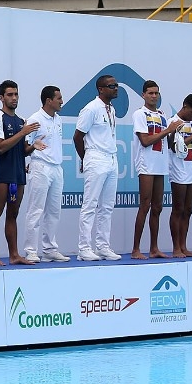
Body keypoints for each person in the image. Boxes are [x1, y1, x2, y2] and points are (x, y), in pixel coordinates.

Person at [0, 80, 39, 266]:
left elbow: (22, 150)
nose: (14, 98)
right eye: (10, 95)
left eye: (16, 94)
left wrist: (34, 146)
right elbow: (0, 147)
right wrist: (22, 132)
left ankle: (14, 255)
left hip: (18, 173)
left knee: (13, 214)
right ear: (1, 97)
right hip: (3, 173)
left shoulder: (20, 121)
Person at [130, 80, 182, 259]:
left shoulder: (161, 114)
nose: (154, 96)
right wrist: (168, 130)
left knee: (158, 207)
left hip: (160, 164)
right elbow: (145, 141)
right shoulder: (139, 114)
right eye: (150, 93)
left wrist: (174, 132)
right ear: (143, 95)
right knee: (145, 205)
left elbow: (167, 140)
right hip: (146, 164)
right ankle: (136, 249)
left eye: (156, 93)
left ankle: (154, 248)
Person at [74, 74, 120, 262]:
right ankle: (84, 248)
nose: (116, 88)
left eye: (116, 85)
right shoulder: (90, 109)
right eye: (112, 86)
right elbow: (77, 137)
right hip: (95, 157)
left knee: (107, 206)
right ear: (101, 89)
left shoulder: (111, 109)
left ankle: (102, 246)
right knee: (90, 204)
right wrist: (86, 159)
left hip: (111, 158)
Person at [22, 86, 66, 262]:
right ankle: (31, 250)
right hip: (40, 167)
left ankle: (49, 249)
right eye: (59, 98)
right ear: (49, 100)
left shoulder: (59, 119)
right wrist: (33, 149)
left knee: (54, 211)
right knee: (35, 210)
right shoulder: (35, 119)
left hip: (57, 167)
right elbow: (24, 147)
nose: (62, 101)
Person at [166, 94, 192, 258]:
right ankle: (176, 247)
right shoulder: (172, 122)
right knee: (178, 209)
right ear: (184, 106)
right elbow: (173, 147)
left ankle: (184, 245)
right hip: (178, 170)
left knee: (188, 209)